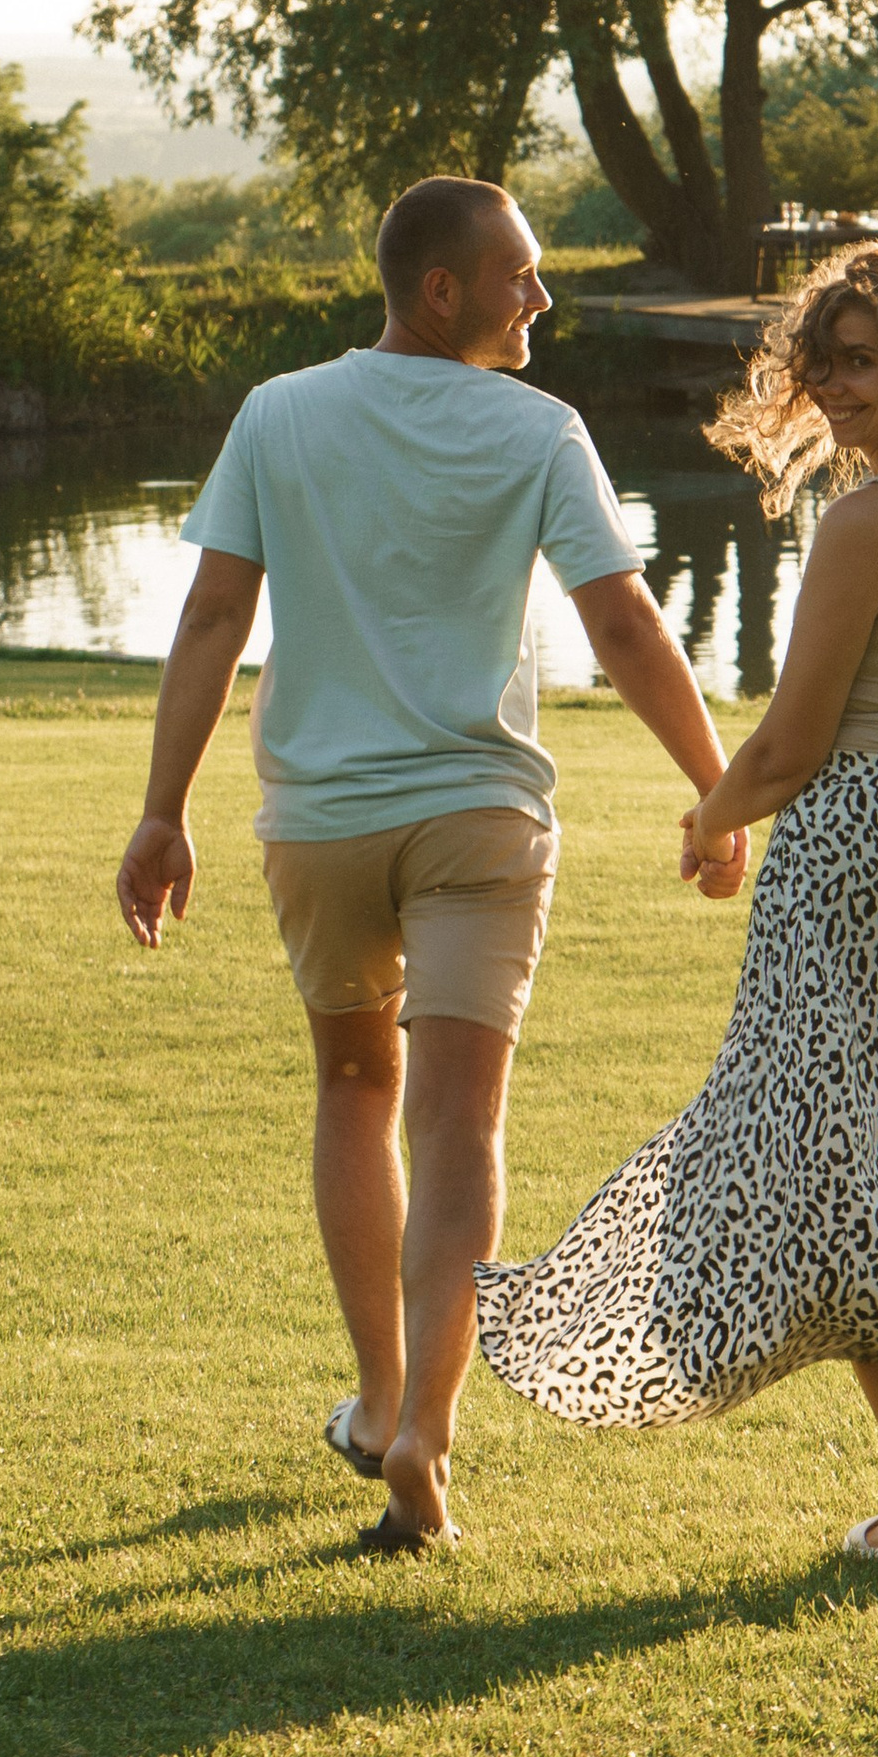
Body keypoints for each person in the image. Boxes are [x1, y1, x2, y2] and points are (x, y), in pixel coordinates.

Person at [112, 178, 745, 1557]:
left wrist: (163, 808)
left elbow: (217, 611)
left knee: (354, 1088)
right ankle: (425, 1436)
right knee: (457, 1127)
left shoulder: (279, 412)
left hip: (320, 823)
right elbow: (625, 624)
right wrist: (716, 787)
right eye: (520, 273)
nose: (542, 297)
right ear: (442, 288)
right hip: (479, 820)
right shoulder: (540, 430)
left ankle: (382, 1393)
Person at [475, 244, 878, 1572]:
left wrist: (711, 817)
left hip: (866, 863)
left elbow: (791, 743)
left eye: (858, 360)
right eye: (815, 361)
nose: (829, 385)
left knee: (844, 1179)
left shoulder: (870, 520)